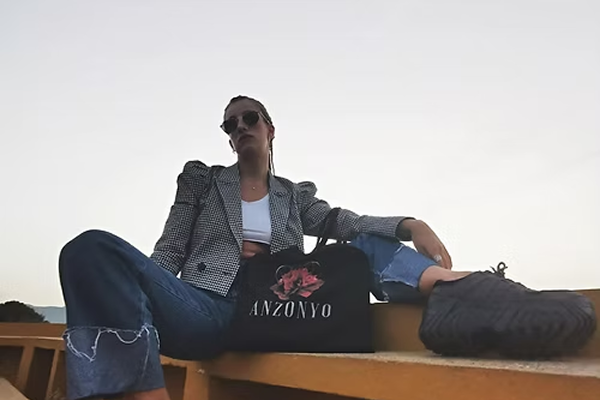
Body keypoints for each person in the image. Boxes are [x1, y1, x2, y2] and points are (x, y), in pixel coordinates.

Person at [58, 95, 596, 400]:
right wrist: (151, 298)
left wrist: (409, 223)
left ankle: (463, 290)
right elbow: (168, 251)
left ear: (270, 129)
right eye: (231, 123)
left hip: (280, 307)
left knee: (357, 243)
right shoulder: (202, 182)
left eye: (250, 118)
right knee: (89, 249)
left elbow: (346, 222)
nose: (240, 127)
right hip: (207, 307)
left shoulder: (294, 196)